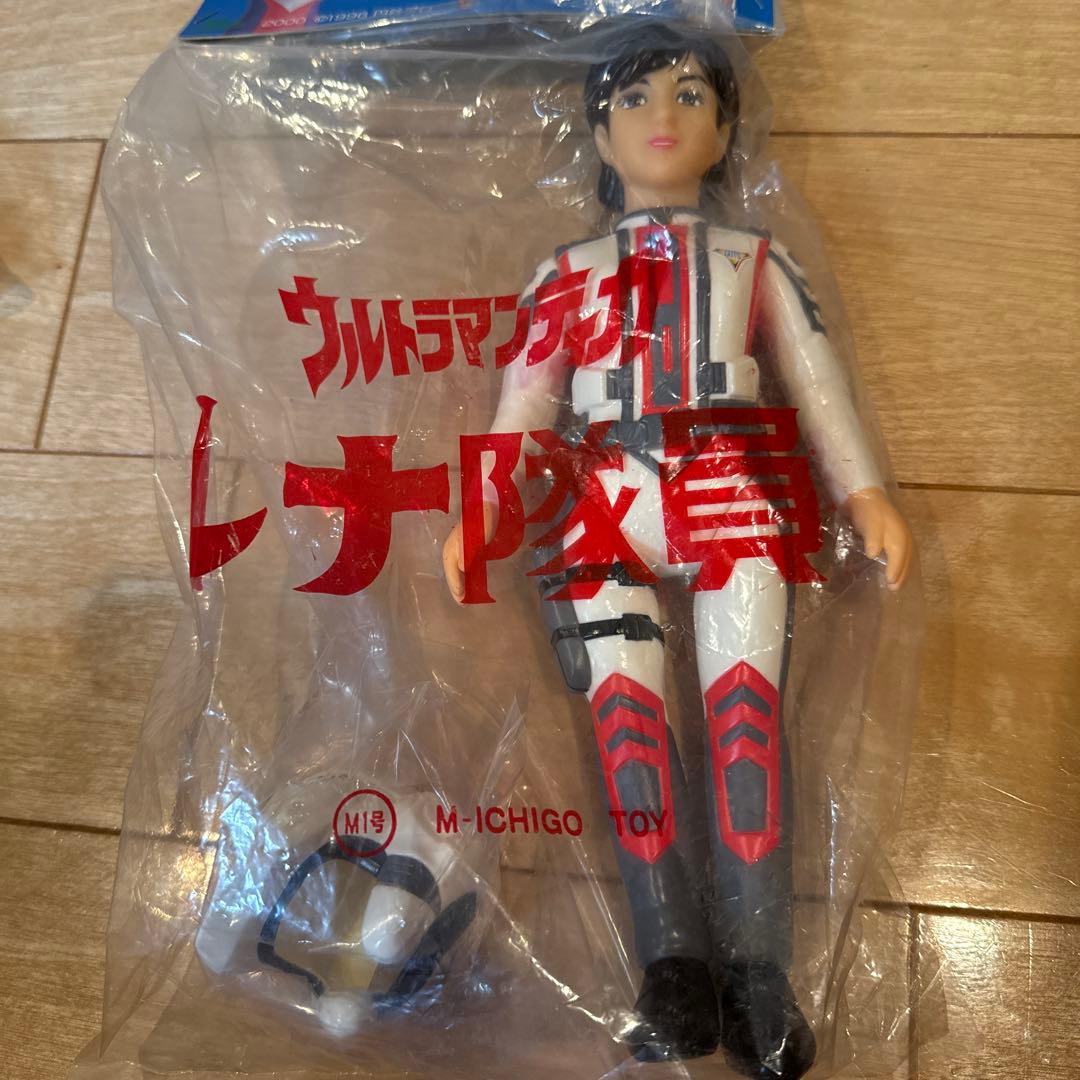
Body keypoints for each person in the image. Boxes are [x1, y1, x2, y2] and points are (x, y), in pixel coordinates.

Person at [443, 23, 914, 1077]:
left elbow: (819, 385)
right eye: (634, 99)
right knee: (628, 723)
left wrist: (867, 494)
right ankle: (671, 963)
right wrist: (481, 510)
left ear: (725, 128)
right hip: (608, 495)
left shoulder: (756, 259)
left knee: (746, 720)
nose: (662, 116)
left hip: (731, 489)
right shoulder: (565, 273)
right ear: (598, 135)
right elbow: (524, 403)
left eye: (690, 95)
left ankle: (756, 970)